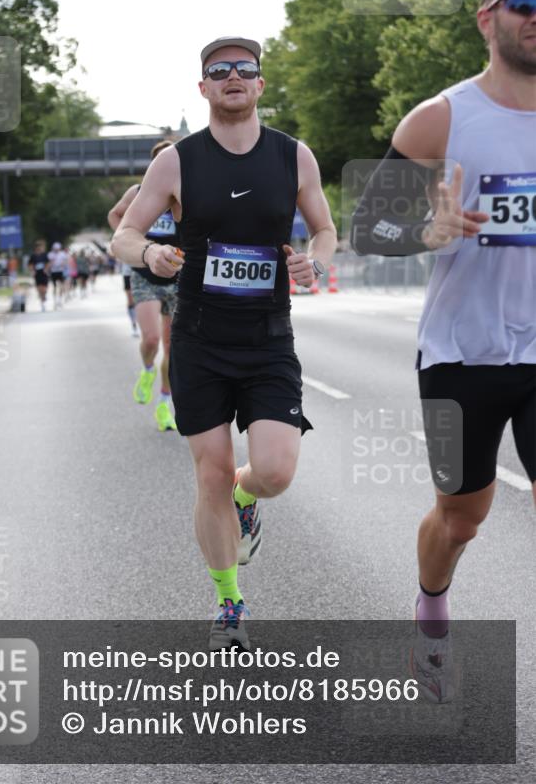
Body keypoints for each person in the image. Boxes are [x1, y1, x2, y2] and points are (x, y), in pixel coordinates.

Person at [350, 0, 536, 701]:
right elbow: (368, 229)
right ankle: (431, 615)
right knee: (460, 520)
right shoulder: (440, 118)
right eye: (524, 2)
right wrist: (426, 230)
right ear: (487, 18)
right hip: (462, 352)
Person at [112, 36, 337, 648]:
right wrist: (150, 251)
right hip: (199, 340)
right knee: (208, 474)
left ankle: (248, 494)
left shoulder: (294, 157)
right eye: (220, 70)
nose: (233, 76)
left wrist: (314, 262)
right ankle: (229, 602)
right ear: (204, 88)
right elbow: (124, 235)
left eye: (245, 69)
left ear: (261, 84)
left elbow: (324, 229)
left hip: (267, 338)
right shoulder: (176, 162)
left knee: (274, 470)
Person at [108, 140, 179, 432]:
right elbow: (115, 215)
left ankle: (164, 404)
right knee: (151, 340)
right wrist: (132, 242)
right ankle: (148, 370)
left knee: (174, 350)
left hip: (177, 276)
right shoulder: (138, 193)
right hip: (144, 273)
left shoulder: (185, 193)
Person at [28, 240, 51, 311]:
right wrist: (32, 271)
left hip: (44, 273)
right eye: (38, 247)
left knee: (44, 289)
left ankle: (44, 296)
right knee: (39, 289)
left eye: (40, 247)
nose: (39, 248)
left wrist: (46, 269)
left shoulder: (44, 255)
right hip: (37, 274)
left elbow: (48, 263)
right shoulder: (33, 256)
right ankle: (42, 304)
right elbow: (30, 264)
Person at [48, 242, 68, 307]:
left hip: (60, 271)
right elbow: (49, 263)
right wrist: (51, 264)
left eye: (57, 249)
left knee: (61, 286)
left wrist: (63, 264)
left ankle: (60, 299)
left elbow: (65, 262)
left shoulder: (62, 254)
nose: (56, 250)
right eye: (55, 249)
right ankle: (55, 300)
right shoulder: (50, 254)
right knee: (54, 287)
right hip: (53, 271)